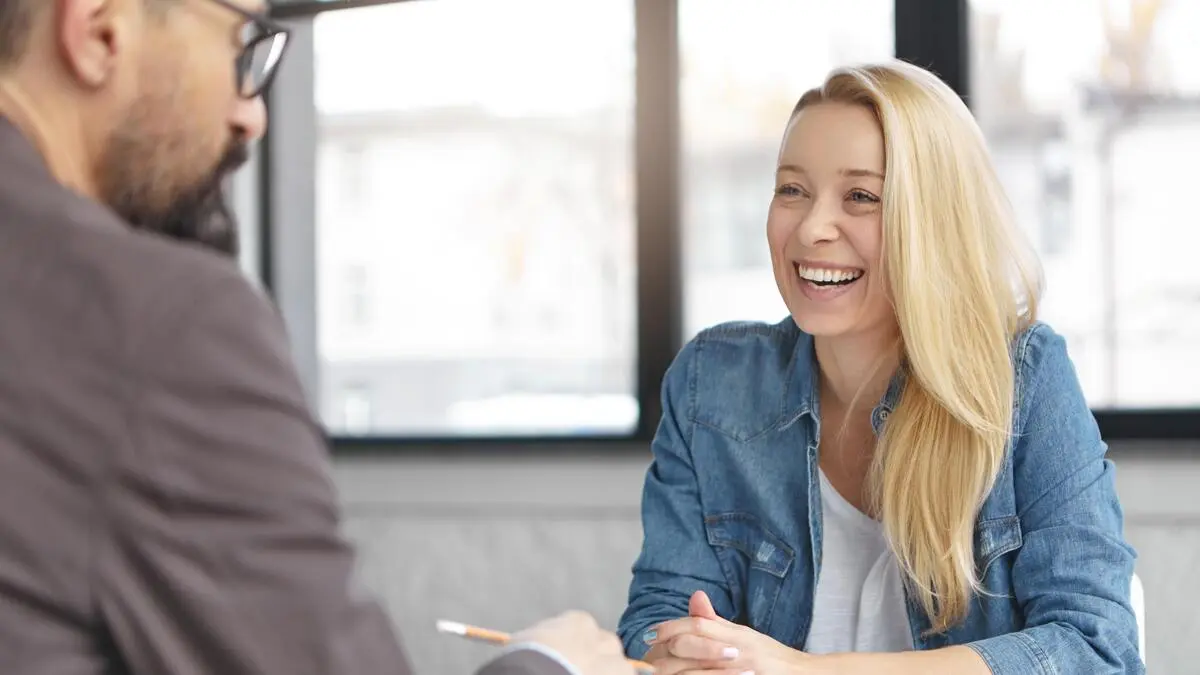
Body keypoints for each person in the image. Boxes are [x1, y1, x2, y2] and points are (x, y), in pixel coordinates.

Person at [0, 1, 632, 674]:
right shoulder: (162, 325)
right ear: (100, 30)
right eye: (242, 45)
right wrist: (549, 665)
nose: (253, 114)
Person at [616, 61, 1143, 674]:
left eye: (861, 196)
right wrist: (681, 652)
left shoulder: (1023, 380)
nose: (812, 228)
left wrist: (805, 671)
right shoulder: (713, 383)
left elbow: (1096, 649)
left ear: (934, 220)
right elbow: (658, 615)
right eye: (792, 190)